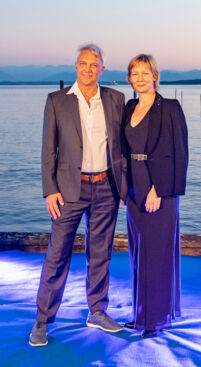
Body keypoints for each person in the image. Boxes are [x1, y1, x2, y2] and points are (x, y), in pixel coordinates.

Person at [29, 44, 125, 347]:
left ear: (102, 70)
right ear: (75, 66)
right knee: (57, 256)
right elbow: (48, 151)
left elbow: (122, 147)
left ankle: (97, 310)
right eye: (83, 63)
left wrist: (124, 185)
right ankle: (42, 320)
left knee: (100, 254)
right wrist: (50, 190)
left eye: (93, 64)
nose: (88, 68)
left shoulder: (116, 99)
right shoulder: (57, 101)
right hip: (69, 189)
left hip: (107, 187)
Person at [121, 54, 188, 338]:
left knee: (158, 256)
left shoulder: (170, 107)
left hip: (159, 191)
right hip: (134, 188)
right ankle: (140, 315)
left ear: (155, 76)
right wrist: (124, 188)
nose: (140, 77)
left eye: (145, 72)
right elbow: (122, 152)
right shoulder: (128, 107)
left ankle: (155, 320)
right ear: (129, 78)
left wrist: (158, 189)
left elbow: (180, 154)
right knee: (139, 255)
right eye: (135, 73)